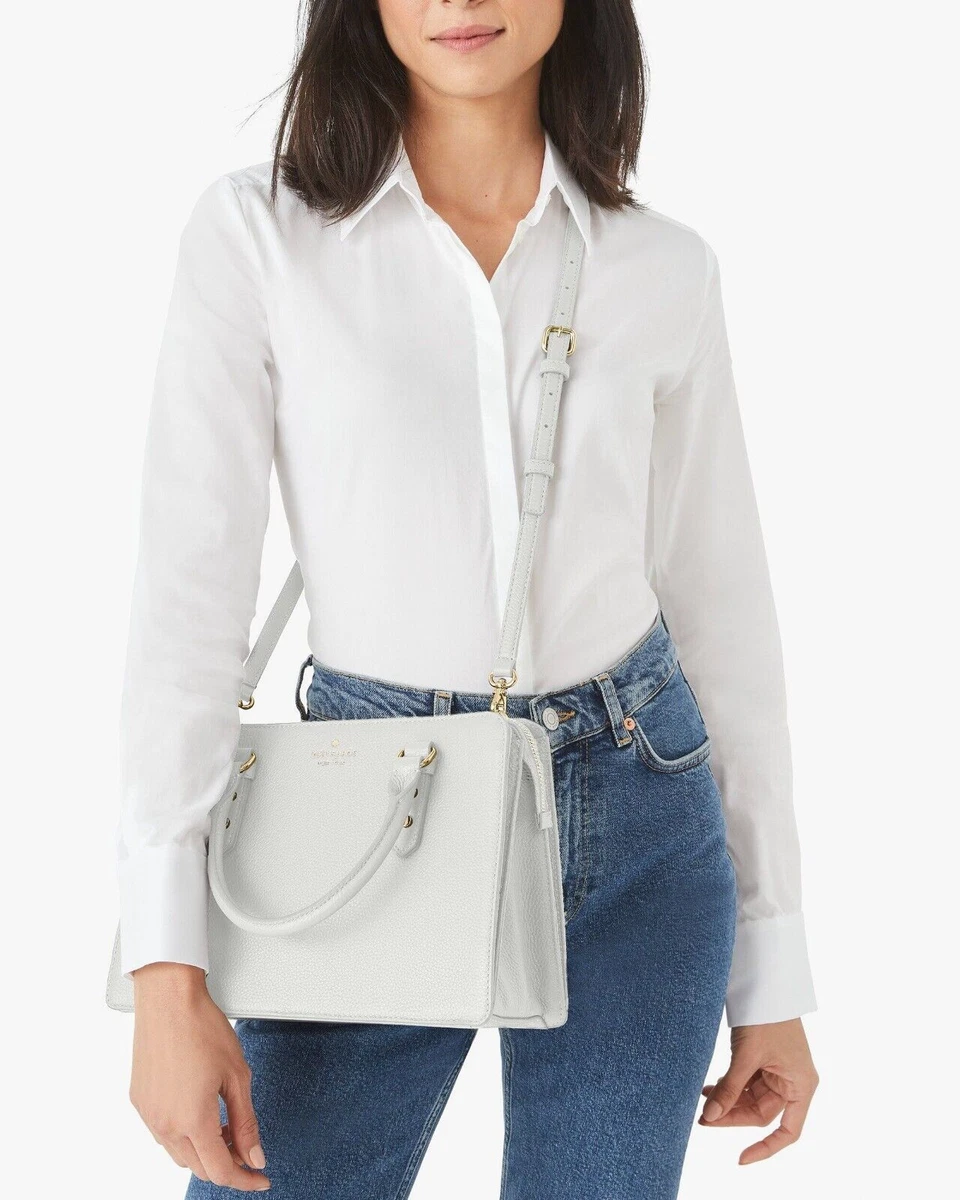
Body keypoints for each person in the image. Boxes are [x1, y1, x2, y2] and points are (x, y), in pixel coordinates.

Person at [118, 2, 819, 1196]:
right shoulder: (261, 235)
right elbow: (187, 605)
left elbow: (723, 614)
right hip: (364, 820)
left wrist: (773, 970)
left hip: (639, 810)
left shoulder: (663, 267)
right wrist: (164, 971)